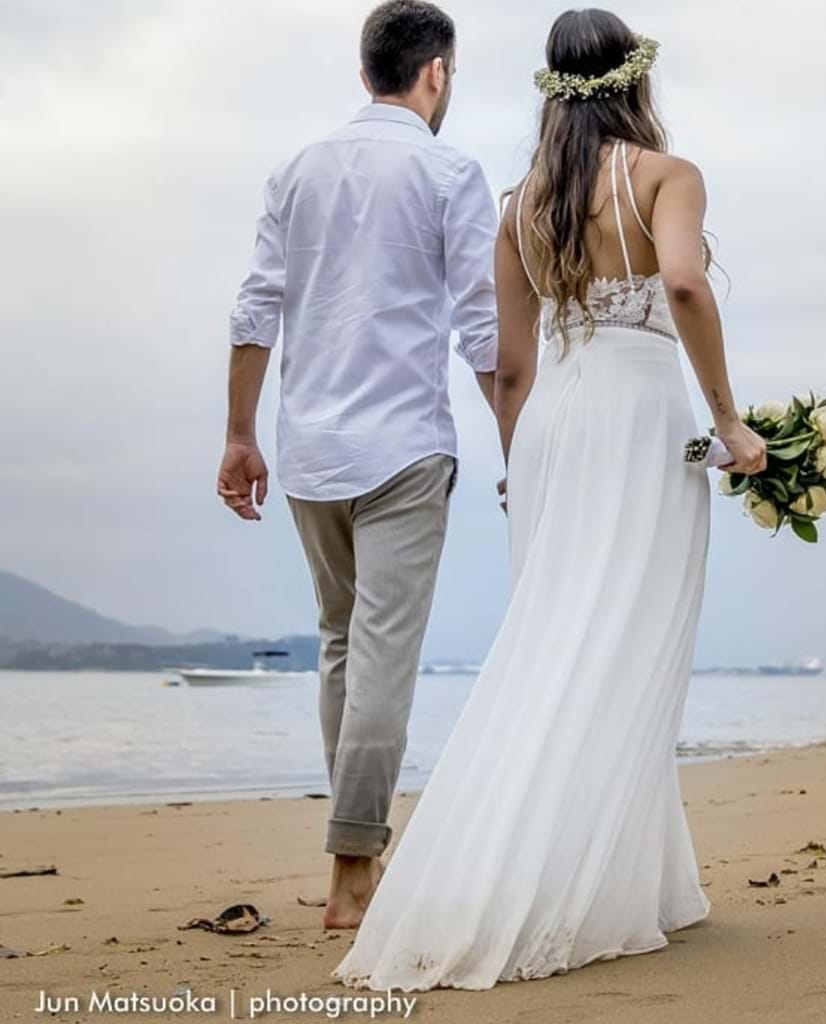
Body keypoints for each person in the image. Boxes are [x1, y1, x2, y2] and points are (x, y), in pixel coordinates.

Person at [334, 8, 767, 991]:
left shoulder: (517, 203)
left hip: (553, 436)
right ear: (632, 80)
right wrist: (730, 419)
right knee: (628, 636)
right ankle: (573, 881)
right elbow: (687, 287)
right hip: (637, 421)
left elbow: (510, 366)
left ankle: (644, 876)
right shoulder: (666, 176)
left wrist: (517, 465)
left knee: (557, 633)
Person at [217, 0, 498, 929]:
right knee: (381, 654)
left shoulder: (296, 170)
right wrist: (517, 442)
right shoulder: (448, 170)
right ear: (436, 74)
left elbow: (257, 307)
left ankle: (356, 848)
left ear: (366, 71)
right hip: (405, 447)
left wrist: (239, 435)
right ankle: (352, 870)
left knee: (341, 645)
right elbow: (481, 325)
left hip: (310, 451)